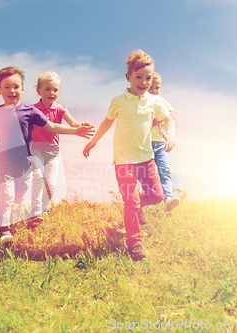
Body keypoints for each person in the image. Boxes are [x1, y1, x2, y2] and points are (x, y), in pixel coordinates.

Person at [0, 66, 94, 245]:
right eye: (6, 87)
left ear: (23, 89)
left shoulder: (30, 111)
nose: (12, 91)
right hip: (5, 161)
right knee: (6, 194)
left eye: (16, 86)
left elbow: (52, 127)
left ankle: (18, 208)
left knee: (20, 192)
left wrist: (75, 131)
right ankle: (5, 229)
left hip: (24, 162)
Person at [83, 50, 175, 261]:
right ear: (128, 77)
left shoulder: (154, 101)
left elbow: (169, 120)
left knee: (157, 196)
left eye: (148, 78)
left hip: (146, 159)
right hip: (124, 162)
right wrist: (94, 141)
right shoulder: (118, 101)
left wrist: (170, 134)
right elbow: (107, 122)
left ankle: (137, 205)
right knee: (130, 202)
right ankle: (134, 243)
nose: (143, 82)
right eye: (139, 77)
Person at [31, 71, 91, 218]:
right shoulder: (33, 110)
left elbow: (73, 123)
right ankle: (35, 210)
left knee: (51, 184)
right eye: (47, 89)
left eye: (55, 90)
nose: (52, 92)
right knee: (38, 177)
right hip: (36, 148)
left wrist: (81, 126)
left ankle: (43, 209)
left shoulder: (60, 109)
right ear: (38, 91)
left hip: (53, 151)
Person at [148, 72, 179, 211]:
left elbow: (174, 122)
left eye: (157, 88)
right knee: (148, 175)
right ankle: (148, 201)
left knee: (164, 170)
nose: (154, 91)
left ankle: (168, 199)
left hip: (161, 143)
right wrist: (150, 122)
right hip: (146, 144)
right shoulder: (141, 103)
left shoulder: (162, 102)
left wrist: (162, 120)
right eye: (151, 88)